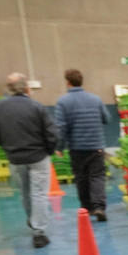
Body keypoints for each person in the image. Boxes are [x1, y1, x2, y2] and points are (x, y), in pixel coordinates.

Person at [0, 72, 58, 248]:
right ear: (27, 88)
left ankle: (33, 222)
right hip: (38, 157)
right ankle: (39, 232)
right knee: (39, 193)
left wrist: (6, 145)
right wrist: (49, 150)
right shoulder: (36, 107)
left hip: (15, 158)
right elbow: (52, 133)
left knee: (25, 192)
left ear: (8, 89)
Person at [54, 69, 110, 221]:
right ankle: (99, 207)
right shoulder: (95, 99)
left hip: (77, 148)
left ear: (68, 82)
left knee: (81, 178)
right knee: (97, 177)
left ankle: (87, 208)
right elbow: (107, 118)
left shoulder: (63, 102)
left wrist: (59, 147)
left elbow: (61, 127)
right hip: (96, 146)